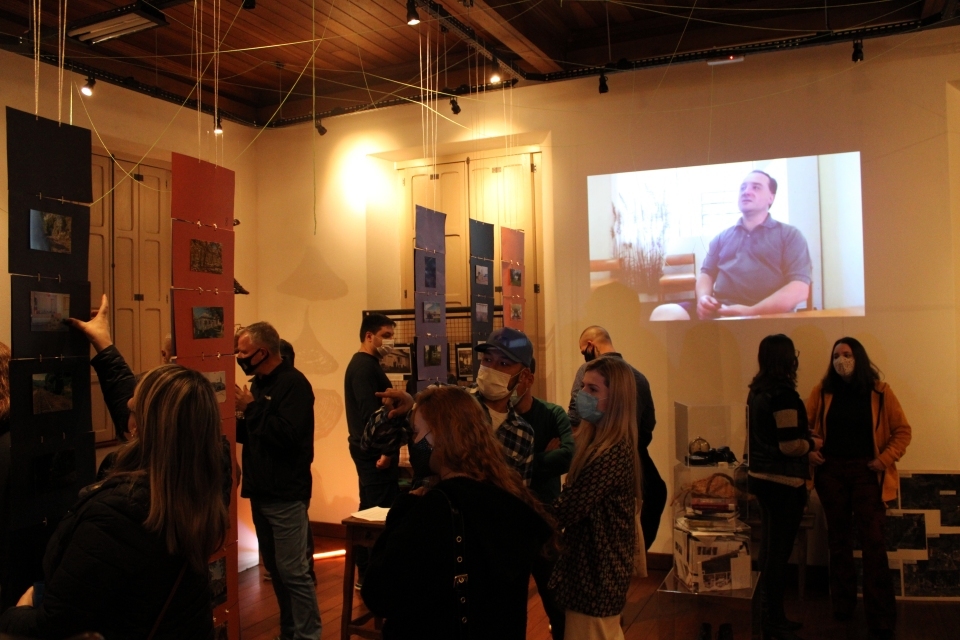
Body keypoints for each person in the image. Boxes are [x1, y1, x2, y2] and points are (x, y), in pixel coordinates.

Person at [0, 365, 228, 639]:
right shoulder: (203, 485)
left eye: (133, 410)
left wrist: (16, 614)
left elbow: (56, 622)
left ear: (140, 425)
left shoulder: (115, 514)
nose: (127, 411)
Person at [361, 385, 552, 640]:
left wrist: (403, 510)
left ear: (439, 437)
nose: (413, 442)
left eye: (416, 433)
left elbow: (378, 593)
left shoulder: (433, 509)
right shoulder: (512, 498)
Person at [806, 337, 911, 640]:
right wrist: (810, 451)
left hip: (868, 473)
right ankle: (842, 606)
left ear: (859, 357)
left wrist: (884, 459)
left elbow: (903, 431)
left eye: (847, 354)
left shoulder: (880, 392)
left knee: (874, 543)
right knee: (838, 541)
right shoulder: (822, 391)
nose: (841, 360)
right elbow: (806, 428)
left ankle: (880, 617)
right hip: (832, 473)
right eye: (836, 355)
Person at [235, 322, 320, 640]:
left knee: (294, 572)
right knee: (276, 571)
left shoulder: (294, 385)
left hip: (286, 493)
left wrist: (251, 410)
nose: (239, 357)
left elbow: (287, 435)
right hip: (260, 491)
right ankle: (289, 631)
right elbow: (255, 434)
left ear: (262, 352)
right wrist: (239, 416)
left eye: (243, 351)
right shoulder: (257, 384)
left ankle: (309, 634)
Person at [550, 356, 643, 639]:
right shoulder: (594, 442)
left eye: (593, 390)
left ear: (615, 399)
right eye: (583, 387)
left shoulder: (612, 453)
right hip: (588, 571)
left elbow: (567, 508)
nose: (583, 395)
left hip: (596, 575)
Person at [650, 170, 812, 320]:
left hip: (766, 316)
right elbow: (706, 274)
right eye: (743, 188)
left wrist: (750, 312)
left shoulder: (789, 235)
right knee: (663, 313)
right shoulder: (722, 237)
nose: (747, 191)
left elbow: (799, 289)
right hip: (720, 310)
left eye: (756, 187)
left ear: (771, 197)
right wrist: (704, 299)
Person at [747, 334, 821, 640]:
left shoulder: (758, 391)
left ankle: (765, 614)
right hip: (784, 482)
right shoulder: (784, 395)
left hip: (761, 479)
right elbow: (790, 446)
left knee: (768, 550)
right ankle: (772, 618)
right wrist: (812, 443)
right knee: (778, 555)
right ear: (788, 359)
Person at [568, 326, 666, 549]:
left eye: (591, 390)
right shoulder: (639, 377)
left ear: (590, 346)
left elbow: (574, 418)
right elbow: (648, 426)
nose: (586, 393)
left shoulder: (588, 370)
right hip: (639, 464)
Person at [513, 355, 575, 639]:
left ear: (527, 377)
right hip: (509, 516)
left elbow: (568, 456)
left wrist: (519, 461)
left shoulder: (552, 413)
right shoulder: (497, 417)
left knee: (556, 602)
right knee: (510, 607)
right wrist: (543, 456)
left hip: (546, 518)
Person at [344, 313, 401, 588]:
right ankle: (373, 578)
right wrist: (387, 452)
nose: (390, 342)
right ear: (369, 336)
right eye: (386, 336)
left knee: (368, 509)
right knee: (379, 516)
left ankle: (367, 574)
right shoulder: (364, 368)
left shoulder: (367, 365)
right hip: (373, 454)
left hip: (368, 451)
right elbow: (372, 416)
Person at [472, 327, 536, 485]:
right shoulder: (455, 405)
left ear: (524, 375)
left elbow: (520, 493)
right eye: (487, 360)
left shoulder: (523, 434)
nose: (491, 369)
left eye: (503, 363)